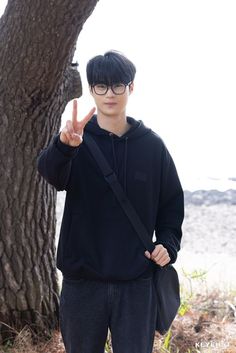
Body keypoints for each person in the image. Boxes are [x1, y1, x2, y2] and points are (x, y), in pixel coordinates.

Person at [37, 50, 184, 353]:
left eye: (118, 85)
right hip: (82, 282)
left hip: (136, 282)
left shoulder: (152, 146)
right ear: (91, 90)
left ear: (131, 87)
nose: (110, 94)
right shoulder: (77, 139)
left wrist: (167, 244)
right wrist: (64, 146)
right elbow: (51, 174)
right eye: (101, 86)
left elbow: (171, 205)